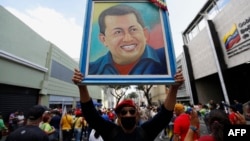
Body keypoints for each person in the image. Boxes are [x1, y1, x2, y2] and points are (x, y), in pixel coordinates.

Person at [72, 68, 184, 141]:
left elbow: (164, 115)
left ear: (137, 114)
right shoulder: (110, 132)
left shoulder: (145, 132)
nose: (128, 115)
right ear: (119, 116)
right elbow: (91, 115)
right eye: (123, 112)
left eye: (131, 111)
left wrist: (174, 88)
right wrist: (82, 86)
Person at [89, 4, 167, 75]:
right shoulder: (91, 70)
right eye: (118, 32)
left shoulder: (166, 60)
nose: (128, 39)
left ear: (145, 34)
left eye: (133, 30)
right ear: (103, 40)